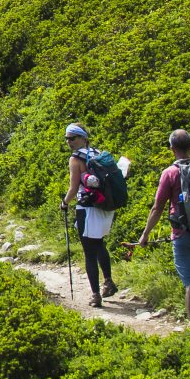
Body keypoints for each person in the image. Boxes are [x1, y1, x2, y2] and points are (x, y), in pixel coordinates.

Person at [125, 130, 190, 330]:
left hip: (183, 234)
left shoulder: (170, 173)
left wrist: (144, 235)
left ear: (172, 148)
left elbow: (157, 208)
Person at [59, 123, 118, 306]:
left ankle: (95, 295)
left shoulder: (75, 159)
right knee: (99, 244)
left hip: (86, 208)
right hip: (105, 207)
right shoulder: (97, 153)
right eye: (67, 138)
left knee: (89, 252)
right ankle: (108, 282)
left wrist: (64, 203)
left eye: (73, 137)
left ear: (83, 137)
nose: (69, 141)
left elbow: (73, 187)